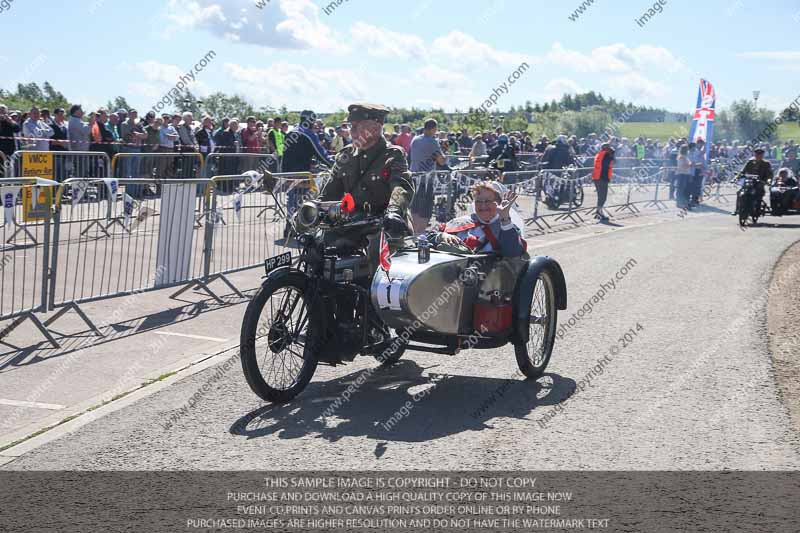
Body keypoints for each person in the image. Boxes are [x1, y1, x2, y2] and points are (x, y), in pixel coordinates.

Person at [319, 102, 414, 271]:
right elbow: (329, 192)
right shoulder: (346, 155)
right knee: (318, 250)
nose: (352, 132)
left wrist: (393, 211)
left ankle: (375, 295)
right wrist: (313, 208)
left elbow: (401, 186)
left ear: (376, 128)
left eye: (357, 127)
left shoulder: (393, 155)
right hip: (352, 222)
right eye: (350, 126)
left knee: (379, 265)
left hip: (384, 223)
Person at [430, 181, 526, 257]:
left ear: (499, 203)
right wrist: (441, 236)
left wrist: (504, 218)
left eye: (488, 201)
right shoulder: (461, 221)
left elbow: (513, 253)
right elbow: (426, 239)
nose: (483, 205)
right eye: (478, 201)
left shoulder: (507, 227)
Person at [409, 118, 447, 234]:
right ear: (433, 129)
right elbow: (442, 161)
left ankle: (414, 233)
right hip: (426, 179)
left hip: (413, 177)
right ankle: (420, 235)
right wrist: (444, 151)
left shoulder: (415, 139)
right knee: (425, 209)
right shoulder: (432, 141)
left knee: (414, 208)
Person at [734, 148, 773, 215]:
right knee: (740, 193)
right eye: (757, 155)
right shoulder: (750, 162)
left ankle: (757, 209)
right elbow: (743, 171)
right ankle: (737, 209)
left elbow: (769, 174)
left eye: (760, 155)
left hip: (759, 182)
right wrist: (737, 177)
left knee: (758, 194)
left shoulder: (766, 164)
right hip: (749, 181)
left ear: (762, 155)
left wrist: (768, 180)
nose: (758, 156)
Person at [592, 143, 614, 222]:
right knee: (603, 197)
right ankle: (600, 213)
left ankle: (598, 212)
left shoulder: (598, 154)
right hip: (602, 178)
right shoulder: (607, 155)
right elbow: (609, 163)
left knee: (600, 196)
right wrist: (612, 155)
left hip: (596, 177)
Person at [675, 145, 692, 210]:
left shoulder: (685, 157)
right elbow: (683, 166)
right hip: (681, 174)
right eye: (687, 149)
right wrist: (690, 164)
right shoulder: (681, 157)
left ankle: (681, 202)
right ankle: (679, 202)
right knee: (680, 188)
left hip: (685, 173)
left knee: (683, 189)